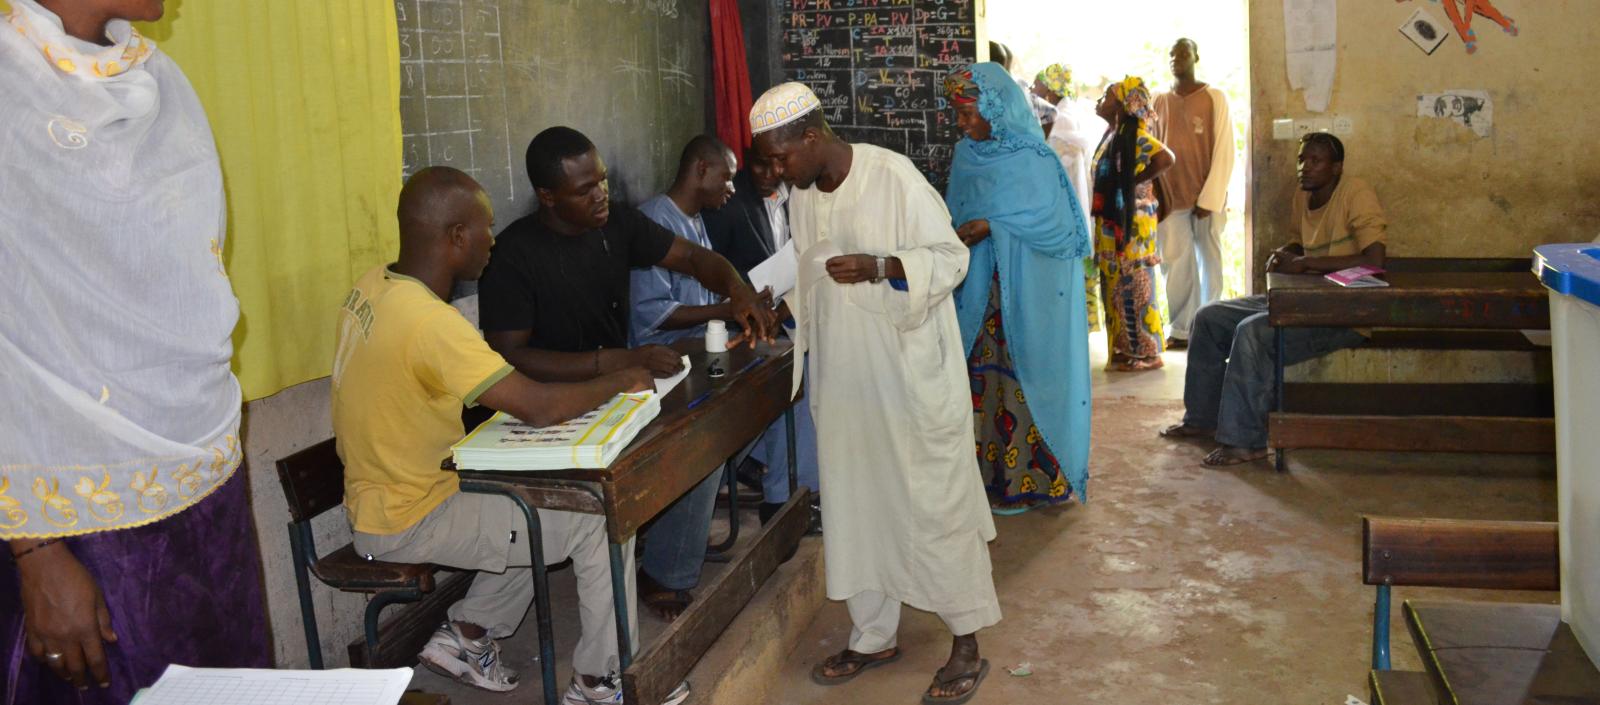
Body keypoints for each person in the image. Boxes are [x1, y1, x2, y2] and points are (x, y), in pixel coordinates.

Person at [332, 167, 689, 704]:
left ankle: (468, 636)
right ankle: (602, 681)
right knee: (599, 517)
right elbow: (539, 406)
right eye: (485, 228)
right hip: (412, 515)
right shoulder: (431, 324)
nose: (492, 241)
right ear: (455, 237)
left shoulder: (374, 284)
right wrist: (621, 376)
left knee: (535, 500)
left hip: (384, 496)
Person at [0, 1, 271, 701]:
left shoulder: (164, 80)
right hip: (77, 516)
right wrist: (33, 548)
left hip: (206, 483)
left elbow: (183, 277)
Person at [751, 82, 1000, 705]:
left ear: (812, 137)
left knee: (933, 501)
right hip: (844, 378)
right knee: (856, 502)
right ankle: (872, 635)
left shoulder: (894, 176)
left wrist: (883, 265)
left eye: (780, 158)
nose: (775, 173)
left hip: (908, 376)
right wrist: (767, 300)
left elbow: (949, 257)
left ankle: (966, 640)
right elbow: (806, 263)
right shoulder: (805, 195)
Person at [478, 127, 775, 624]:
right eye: (584, 189)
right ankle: (652, 573)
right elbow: (510, 357)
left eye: (603, 181)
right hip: (544, 403)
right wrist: (611, 362)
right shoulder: (513, 255)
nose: (601, 195)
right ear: (547, 197)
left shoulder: (615, 224)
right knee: (676, 449)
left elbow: (694, 258)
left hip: (615, 383)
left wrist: (736, 289)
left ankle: (661, 566)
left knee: (704, 430)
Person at [1161, 133, 1386, 466]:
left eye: (1315, 161)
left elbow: (1374, 261)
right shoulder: (1303, 196)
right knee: (1208, 317)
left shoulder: (1356, 194)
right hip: (1298, 302)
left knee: (1252, 333)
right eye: (1301, 160)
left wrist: (1307, 263)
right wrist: (1287, 252)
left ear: (1336, 168)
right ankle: (1202, 418)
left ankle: (1246, 441)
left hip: (1341, 316)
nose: (1304, 168)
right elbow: (1300, 242)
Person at [943, 63, 1093, 516]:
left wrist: (994, 226)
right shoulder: (966, 156)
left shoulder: (1035, 159)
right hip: (979, 297)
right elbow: (954, 212)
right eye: (959, 114)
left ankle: (1033, 481)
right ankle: (987, 478)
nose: (964, 124)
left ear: (995, 106)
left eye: (970, 113)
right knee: (982, 383)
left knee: (1027, 383)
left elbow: (1062, 233)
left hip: (1029, 296)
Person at [701, 149, 822, 523]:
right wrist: (748, 303)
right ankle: (783, 494)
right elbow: (715, 278)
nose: (770, 173)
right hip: (731, 325)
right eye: (760, 165)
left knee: (809, 360)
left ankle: (785, 482)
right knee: (793, 373)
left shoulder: (789, 197)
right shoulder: (728, 205)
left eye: (777, 165)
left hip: (766, 312)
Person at [1154, 38, 1236, 349]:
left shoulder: (1214, 97)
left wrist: (1210, 197)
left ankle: (1211, 326)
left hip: (1207, 196)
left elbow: (1225, 149)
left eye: (1183, 53)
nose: (1177, 58)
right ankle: (1181, 329)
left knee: (1209, 257)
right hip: (1170, 196)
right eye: (1172, 53)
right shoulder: (1159, 100)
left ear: (1196, 57)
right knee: (1175, 261)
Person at [1091, 76, 1175, 371]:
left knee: (1133, 285)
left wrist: (1133, 183)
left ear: (1124, 104)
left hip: (1133, 225)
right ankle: (1125, 349)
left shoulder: (1134, 135)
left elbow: (1166, 158)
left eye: (1106, 96)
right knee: (1115, 283)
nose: (1100, 102)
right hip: (1114, 223)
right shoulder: (1113, 133)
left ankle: (1146, 353)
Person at [1033, 63, 1105, 331]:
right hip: (1073, 206)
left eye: (1038, 83)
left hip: (1065, 207)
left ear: (1051, 87)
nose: (1033, 88)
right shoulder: (1067, 114)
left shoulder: (1059, 119)